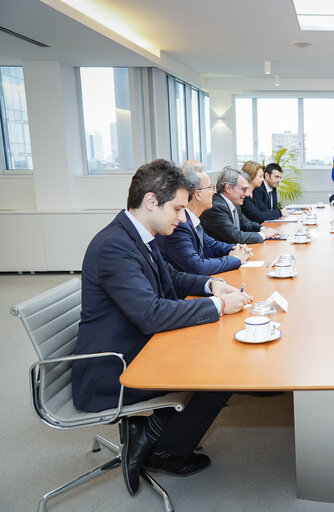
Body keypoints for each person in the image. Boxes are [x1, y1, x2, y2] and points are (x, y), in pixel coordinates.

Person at [71, 159, 253, 496]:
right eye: (178, 209)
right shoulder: (114, 246)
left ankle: (153, 432)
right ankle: (164, 450)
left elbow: (172, 278)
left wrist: (212, 286)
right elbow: (150, 314)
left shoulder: (140, 234)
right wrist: (218, 307)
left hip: (139, 346)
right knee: (221, 374)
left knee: (218, 357)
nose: (183, 218)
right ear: (151, 201)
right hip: (115, 369)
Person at [155, 160, 252, 275]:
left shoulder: (192, 219)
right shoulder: (179, 224)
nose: (213, 192)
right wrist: (234, 259)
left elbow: (211, 244)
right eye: (210, 187)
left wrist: (237, 248)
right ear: (197, 194)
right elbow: (197, 267)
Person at [200, 166, 279, 244]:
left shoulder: (235, 203)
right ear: (228, 188)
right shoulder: (216, 207)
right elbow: (236, 237)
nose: (247, 194)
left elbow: (247, 224)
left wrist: (264, 229)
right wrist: (264, 234)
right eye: (243, 189)